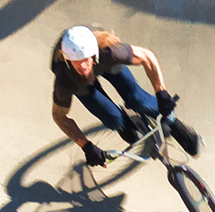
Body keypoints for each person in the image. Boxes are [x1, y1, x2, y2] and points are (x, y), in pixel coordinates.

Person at [51, 25, 203, 167]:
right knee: (112, 118)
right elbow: (59, 116)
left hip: (104, 64)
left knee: (138, 99)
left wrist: (161, 92)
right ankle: (123, 121)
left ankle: (174, 123)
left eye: (85, 59)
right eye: (77, 62)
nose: (83, 66)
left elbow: (147, 57)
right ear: (68, 60)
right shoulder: (64, 79)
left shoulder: (109, 52)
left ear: (93, 54)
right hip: (77, 82)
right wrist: (86, 146)